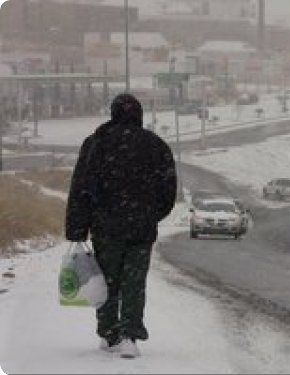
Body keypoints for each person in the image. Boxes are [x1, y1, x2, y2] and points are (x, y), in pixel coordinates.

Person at [65, 93, 177, 359]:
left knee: (107, 281)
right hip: (141, 229)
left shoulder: (96, 144)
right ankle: (130, 336)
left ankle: (109, 333)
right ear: (139, 115)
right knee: (134, 283)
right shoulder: (156, 145)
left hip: (105, 228)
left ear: (113, 113)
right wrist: (150, 215)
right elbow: (168, 191)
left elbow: (80, 187)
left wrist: (77, 227)